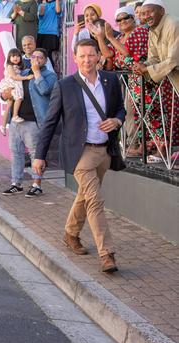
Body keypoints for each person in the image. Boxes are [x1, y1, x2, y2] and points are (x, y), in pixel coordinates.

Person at [33, 39, 125, 273]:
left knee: (85, 196)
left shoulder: (110, 80)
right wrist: (39, 155)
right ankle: (107, 253)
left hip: (104, 150)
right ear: (74, 58)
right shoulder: (65, 86)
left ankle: (70, 233)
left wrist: (117, 120)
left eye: (91, 55)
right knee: (95, 201)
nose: (87, 60)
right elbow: (50, 121)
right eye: (82, 56)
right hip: (79, 152)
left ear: (98, 57)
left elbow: (120, 108)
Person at [95, 6, 155, 157]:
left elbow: (128, 52)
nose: (122, 21)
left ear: (132, 18)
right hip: (129, 80)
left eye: (125, 17)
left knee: (144, 112)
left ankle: (145, 147)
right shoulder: (120, 37)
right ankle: (135, 144)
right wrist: (101, 37)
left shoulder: (139, 31)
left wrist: (111, 38)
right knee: (131, 113)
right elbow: (108, 53)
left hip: (142, 77)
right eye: (118, 20)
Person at [0, 48, 52, 197]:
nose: (36, 60)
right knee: (16, 153)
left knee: (37, 154)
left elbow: (45, 90)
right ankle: (16, 183)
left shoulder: (49, 75)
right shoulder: (22, 72)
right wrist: (4, 94)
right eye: (34, 57)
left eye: (40, 58)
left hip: (33, 122)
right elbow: (9, 86)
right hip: (16, 121)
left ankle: (37, 184)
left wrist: (36, 73)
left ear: (45, 60)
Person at [133, 0, 179, 158]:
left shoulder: (172, 24)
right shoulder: (152, 30)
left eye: (149, 12)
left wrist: (148, 69)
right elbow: (154, 58)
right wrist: (142, 65)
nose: (146, 17)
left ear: (161, 10)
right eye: (143, 14)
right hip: (171, 80)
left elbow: (173, 60)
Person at [0, 48, 30, 132]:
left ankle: (3, 126)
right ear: (9, 58)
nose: (16, 58)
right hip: (11, 85)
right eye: (13, 56)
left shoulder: (17, 67)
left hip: (13, 85)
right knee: (19, 97)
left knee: (8, 106)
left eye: (18, 56)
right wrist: (26, 77)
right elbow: (14, 77)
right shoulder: (10, 66)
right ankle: (15, 115)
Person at [37, 0, 63, 69]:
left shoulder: (56, 4)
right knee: (41, 54)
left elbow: (58, 11)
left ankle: (51, 72)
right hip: (41, 32)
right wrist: (43, 4)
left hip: (52, 33)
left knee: (48, 54)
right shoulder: (40, 5)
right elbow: (41, 14)